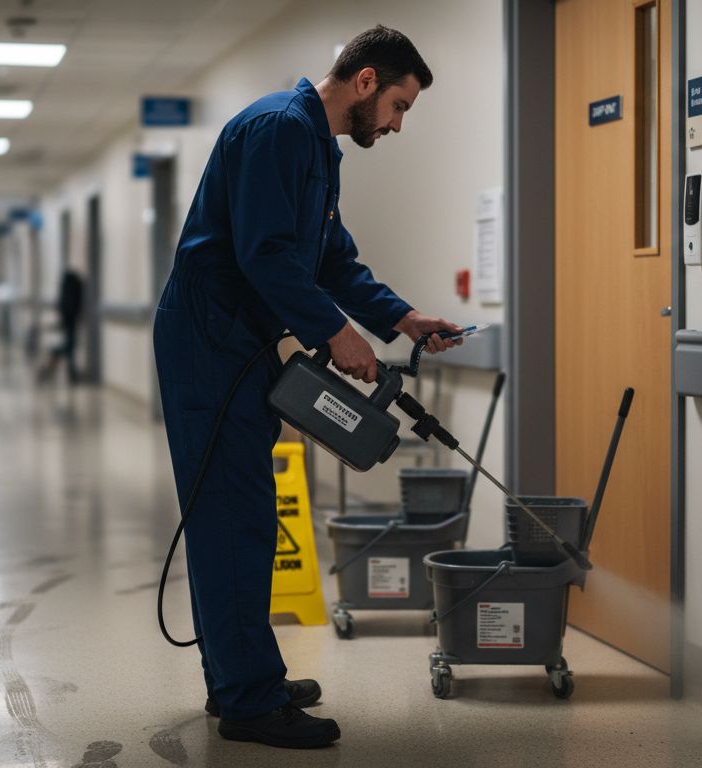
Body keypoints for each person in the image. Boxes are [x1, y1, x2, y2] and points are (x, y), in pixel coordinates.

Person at [153, 26, 460, 749]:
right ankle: (248, 699)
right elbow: (265, 255)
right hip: (209, 338)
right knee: (234, 516)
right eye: (398, 105)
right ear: (364, 82)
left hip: (241, 340)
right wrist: (336, 335)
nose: (396, 123)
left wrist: (401, 318)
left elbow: (330, 261)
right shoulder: (276, 131)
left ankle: (239, 674)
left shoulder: (317, 148)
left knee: (243, 514)